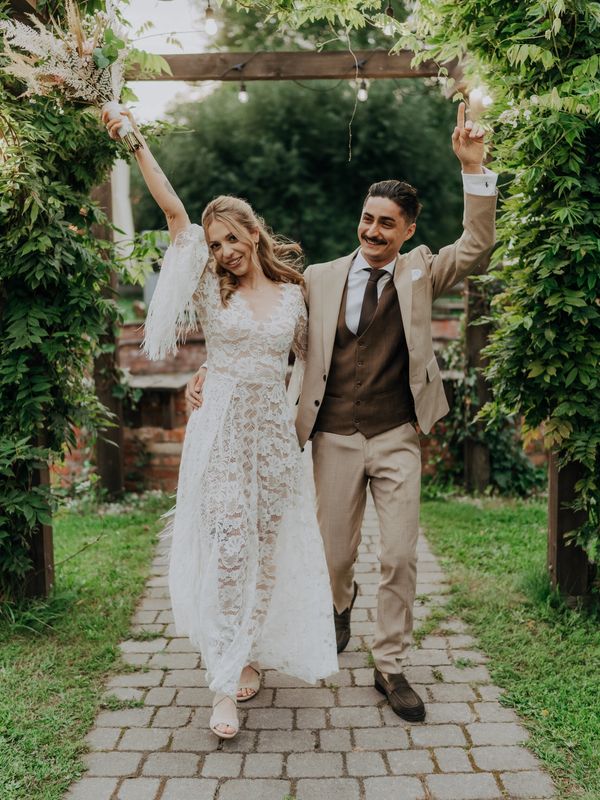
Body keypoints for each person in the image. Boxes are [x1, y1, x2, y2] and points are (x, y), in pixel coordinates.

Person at [188, 101, 497, 724]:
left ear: (407, 229)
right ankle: (340, 601)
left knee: (401, 555)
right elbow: (260, 331)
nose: (373, 231)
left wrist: (473, 169)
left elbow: (477, 246)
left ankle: (390, 666)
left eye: (387, 223)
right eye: (367, 218)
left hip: (396, 434)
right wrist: (205, 371)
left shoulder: (421, 273)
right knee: (334, 558)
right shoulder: (319, 281)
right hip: (329, 436)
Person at [104, 108, 338, 740]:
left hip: (273, 438)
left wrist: (306, 426)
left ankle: (246, 654)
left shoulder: (294, 293)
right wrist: (135, 138)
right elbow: (175, 214)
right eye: (215, 245)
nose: (224, 252)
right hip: (222, 431)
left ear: (254, 233)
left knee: (262, 551)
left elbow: (310, 366)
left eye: (232, 239)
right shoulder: (211, 290)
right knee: (230, 549)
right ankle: (222, 687)